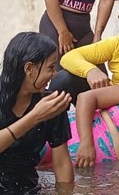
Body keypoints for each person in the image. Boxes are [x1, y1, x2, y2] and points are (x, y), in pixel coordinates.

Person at [0, 32, 72, 193]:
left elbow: (62, 163)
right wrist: (34, 117)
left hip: (28, 188)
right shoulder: (41, 110)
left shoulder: (50, 105)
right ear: (30, 69)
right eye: (51, 67)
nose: (54, 74)